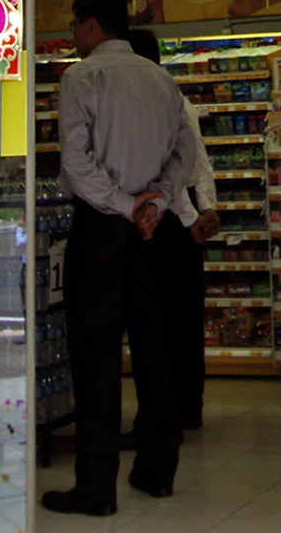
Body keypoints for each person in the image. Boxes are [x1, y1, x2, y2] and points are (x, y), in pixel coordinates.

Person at [43, 0, 200, 517]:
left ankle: (96, 487)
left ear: (92, 26)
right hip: (156, 235)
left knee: (97, 360)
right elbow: (186, 154)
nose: (72, 33)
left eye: (74, 23)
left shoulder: (82, 77)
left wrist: (124, 202)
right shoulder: (161, 78)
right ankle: (157, 472)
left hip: (104, 232)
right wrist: (155, 200)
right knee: (157, 355)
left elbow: (76, 158)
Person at [122, 27, 219, 444]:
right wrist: (206, 209)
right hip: (182, 222)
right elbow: (199, 161)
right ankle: (186, 408)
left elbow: (175, 173)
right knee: (184, 320)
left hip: (167, 225)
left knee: (159, 324)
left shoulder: (147, 105)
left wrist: (187, 215)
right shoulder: (178, 98)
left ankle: (165, 416)